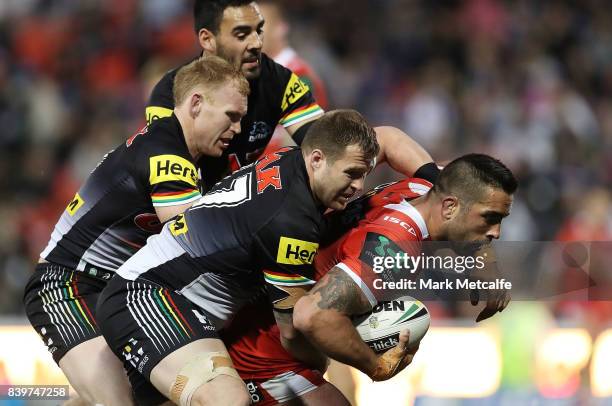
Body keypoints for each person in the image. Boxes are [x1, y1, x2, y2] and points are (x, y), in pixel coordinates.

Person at [96, 110, 410, 406]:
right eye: (352, 174)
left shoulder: (290, 158)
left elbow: (385, 139)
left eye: (364, 174)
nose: (359, 186)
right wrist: (356, 359)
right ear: (317, 159)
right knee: (228, 399)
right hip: (148, 299)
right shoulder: (290, 223)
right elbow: (292, 333)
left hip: (169, 304)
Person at [22, 56, 249, 406]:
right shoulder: (168, 157)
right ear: (196, 103)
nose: (236, 129)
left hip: (118, 289)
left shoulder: (172, 147)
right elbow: (195, 240)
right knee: (119, 402)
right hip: (69, 288)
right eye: (231, 116)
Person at [222, 153, 517, 404]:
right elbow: (312, 315)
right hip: (264, 355)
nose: (496, 233)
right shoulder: (394, 249)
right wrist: (375, 366)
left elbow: (388, 138)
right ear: (450, 207)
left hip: (264, 321)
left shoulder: (423, 186)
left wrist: (484, 260)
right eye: (490, 218)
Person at [147, 0, 439, 191]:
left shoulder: (282, 81)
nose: (255, 43)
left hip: (254, 202)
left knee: (382, 137)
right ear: (207, 40)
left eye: (259, 31)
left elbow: (324, 144)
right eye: (241, 34)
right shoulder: (169, 94)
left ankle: (445, 186)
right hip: (191, 214)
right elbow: (164, 184)